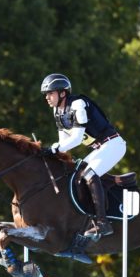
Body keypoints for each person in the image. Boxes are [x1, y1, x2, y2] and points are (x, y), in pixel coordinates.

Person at [40, 73, 127, 241]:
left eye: (50, 93)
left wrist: (52, 149)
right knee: (75, 176)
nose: (47, 98)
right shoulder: (57, 111)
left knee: (88, 174)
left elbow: (77, 138)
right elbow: (63, 143)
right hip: (99, 148)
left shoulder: (78, 104)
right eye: (46, 95)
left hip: (113, 144)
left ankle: (103, 223)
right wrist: (50, 154)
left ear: (63, 93)